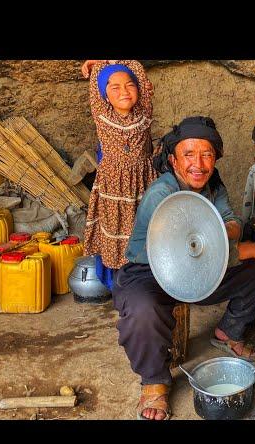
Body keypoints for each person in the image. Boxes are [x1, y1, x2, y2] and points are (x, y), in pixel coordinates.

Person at [112, 116, 255, 420]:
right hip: (151, 271)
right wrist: (249, 248)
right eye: (189, 155)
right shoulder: (162, 193)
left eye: (207, 154)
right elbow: (183, 251)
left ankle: (227, 333)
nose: (199, 163)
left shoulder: (213, 186)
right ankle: (154, 383)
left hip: (199, 272)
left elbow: (232, 221)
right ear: (173, 160)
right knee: (142, 308)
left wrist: (224, 232)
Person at [80, 60, 158, 289]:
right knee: (115, 233)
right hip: (114, 187)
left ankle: (145, 281)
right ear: (104, 96)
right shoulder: (102, 115)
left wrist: (112, 60)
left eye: (130, 85)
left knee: (144, 228)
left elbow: (137, 70)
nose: (124, 91)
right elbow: (95, 85)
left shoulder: (144, 111)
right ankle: (120, 286)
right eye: (115, 87)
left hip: (143, 183)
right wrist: (100, 64)